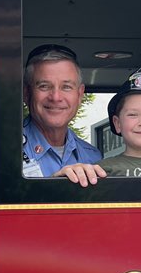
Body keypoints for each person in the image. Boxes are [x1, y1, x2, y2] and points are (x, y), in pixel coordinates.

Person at [23, 44, 106, 182]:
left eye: (66, 87)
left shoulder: (93, 157)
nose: (56, 97)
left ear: (80, 95)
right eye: (44, 86)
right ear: (26, 93)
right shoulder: (2, 153)